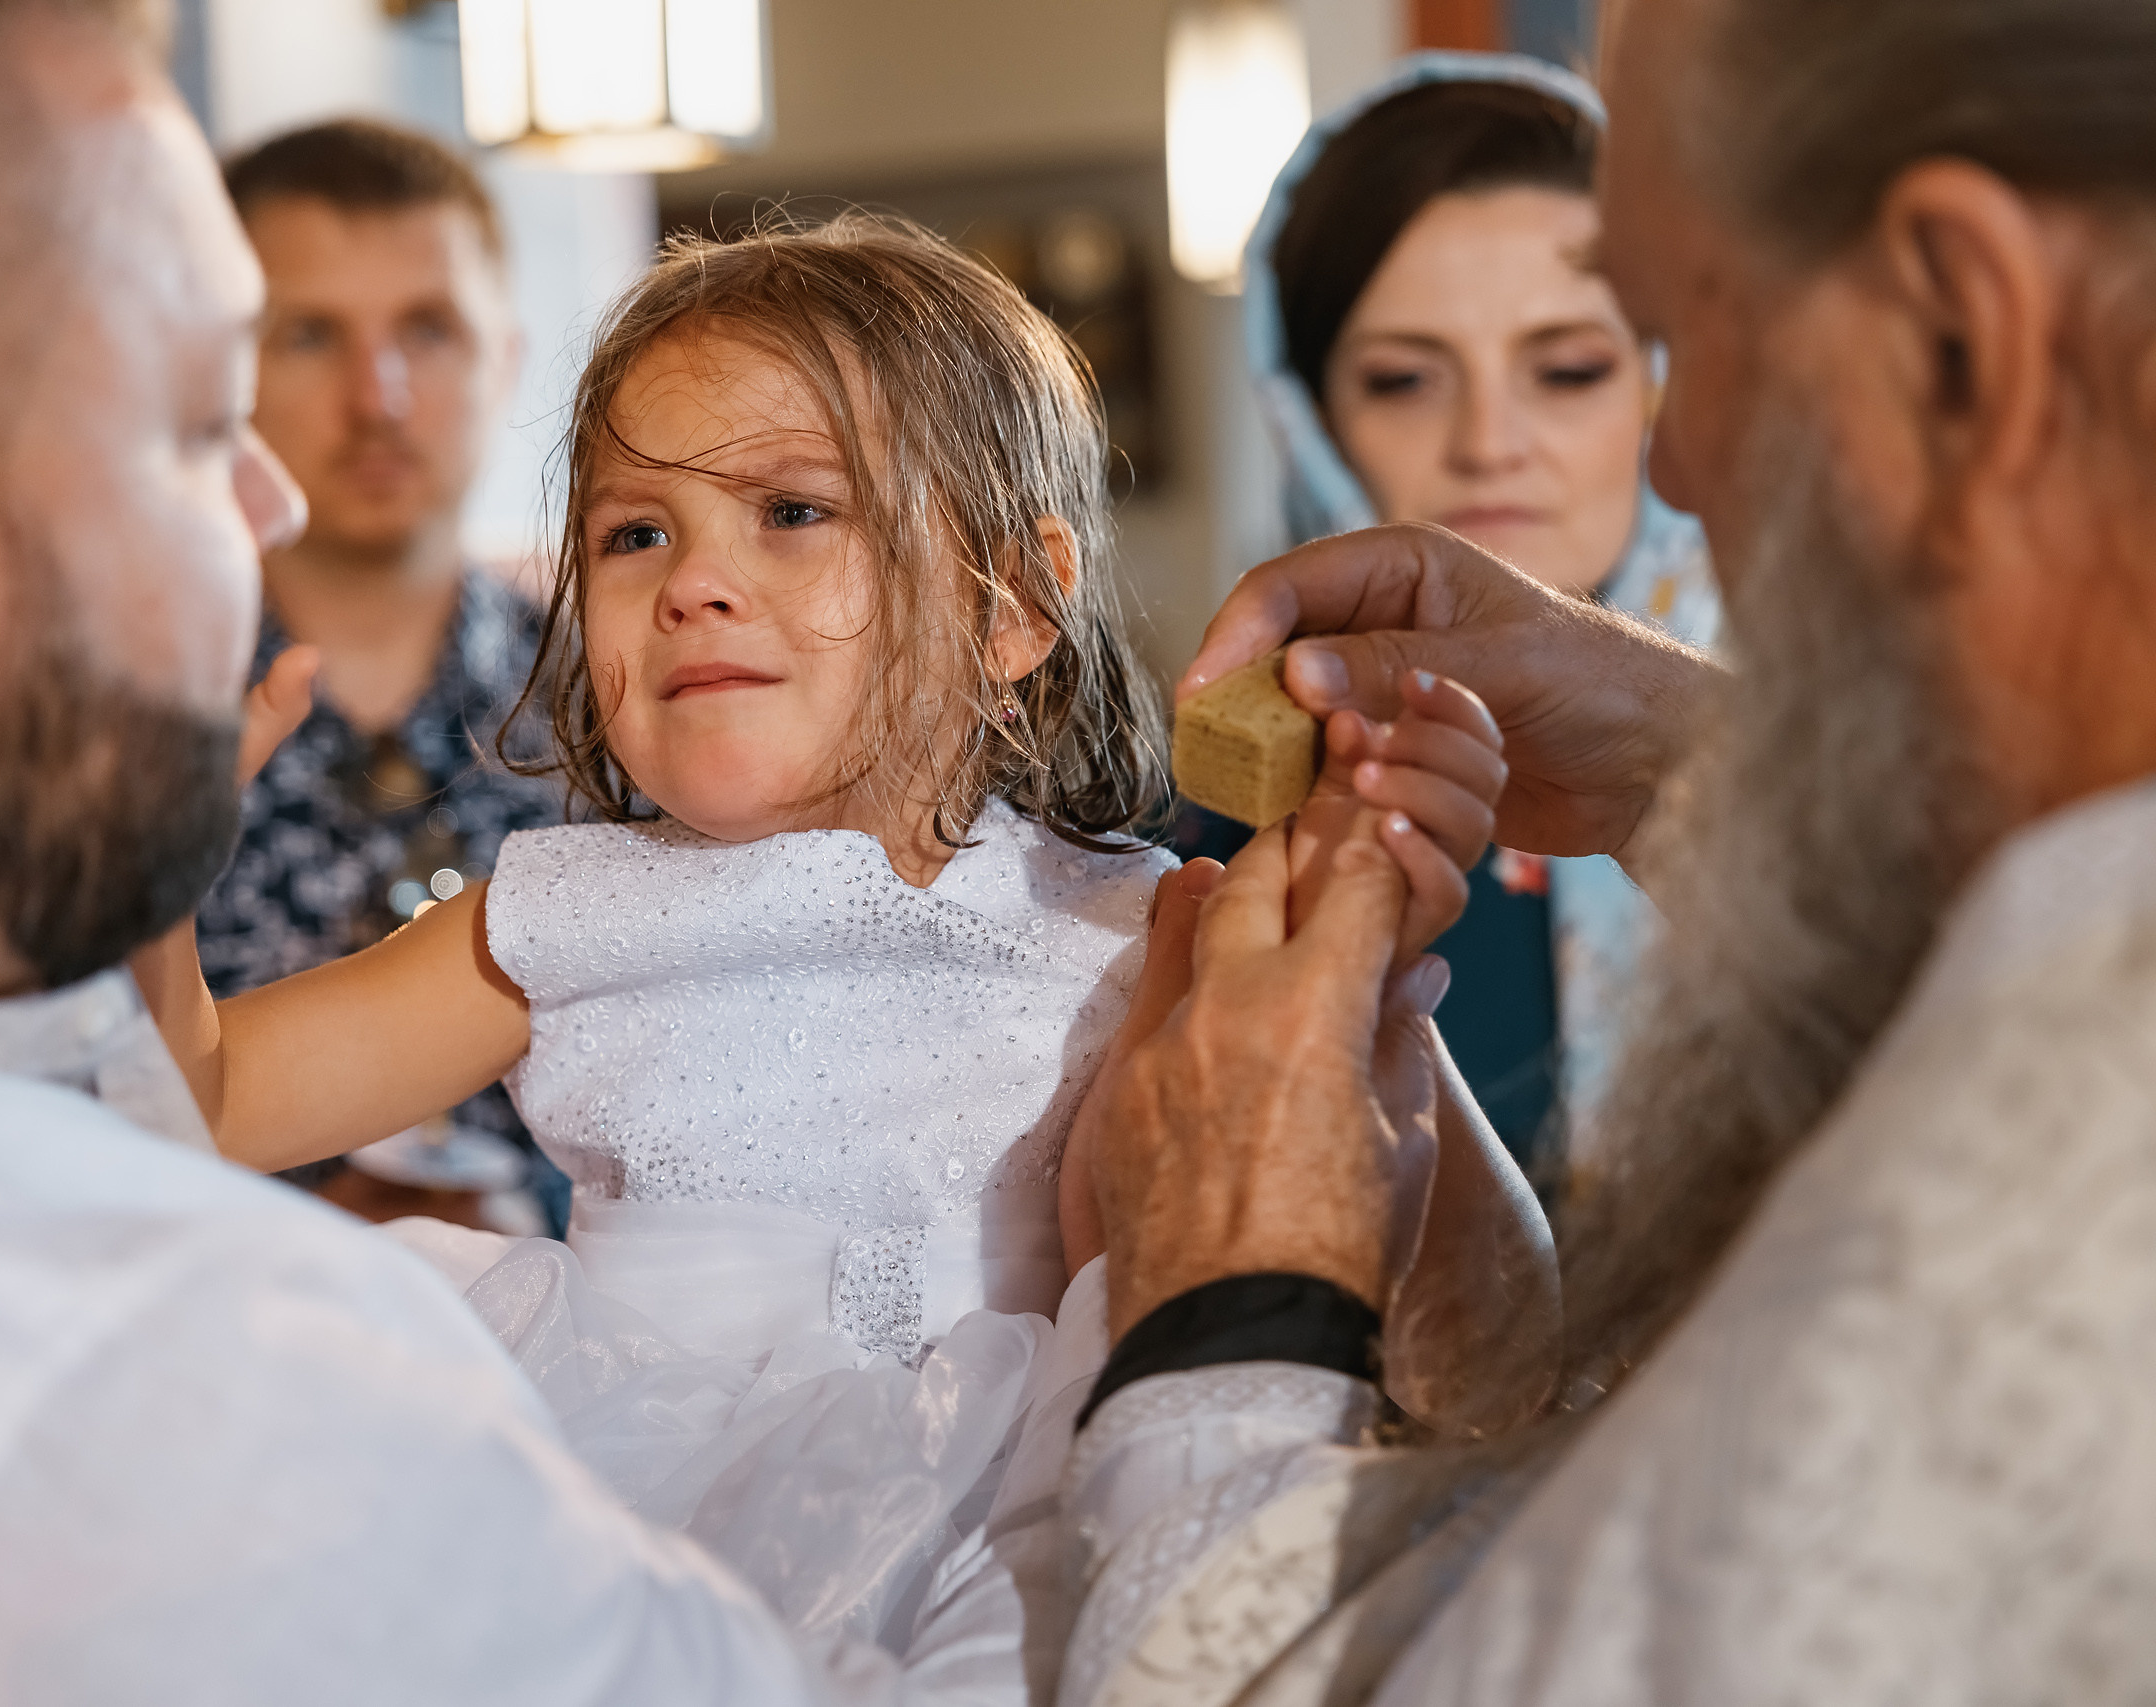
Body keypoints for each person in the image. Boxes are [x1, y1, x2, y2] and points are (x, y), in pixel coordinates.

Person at [129, 211, 1557, 1660]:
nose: (692, 582)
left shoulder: (1142, 928)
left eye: (793, 511)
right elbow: (200, 1101)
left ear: (1014, 605)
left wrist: (1364, 969)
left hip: (1022, 1552)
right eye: (635, 533)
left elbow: (1491, 1345)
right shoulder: (560, 916)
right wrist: (151, 873)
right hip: (637, 1542)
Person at [1057, 0, 2156, 1699]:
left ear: (1961, 327)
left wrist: (1238, 1295)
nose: (1678, 464)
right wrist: (1680, 762)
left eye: (1670, 340)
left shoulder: (2014, 1228)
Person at [1226, 52, 1719, 1173]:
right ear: (1308, 418)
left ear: (1667, 382)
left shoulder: (1862, 787)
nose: (1490, 443)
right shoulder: (1198, 863)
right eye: (1404, 379)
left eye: (1570, 370)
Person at [202, 118, 567, 1229]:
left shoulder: (627, 712)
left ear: (505, 358)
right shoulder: (112, 730)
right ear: (217, 367)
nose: (379, 396)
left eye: (429, 329)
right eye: (310, 335)